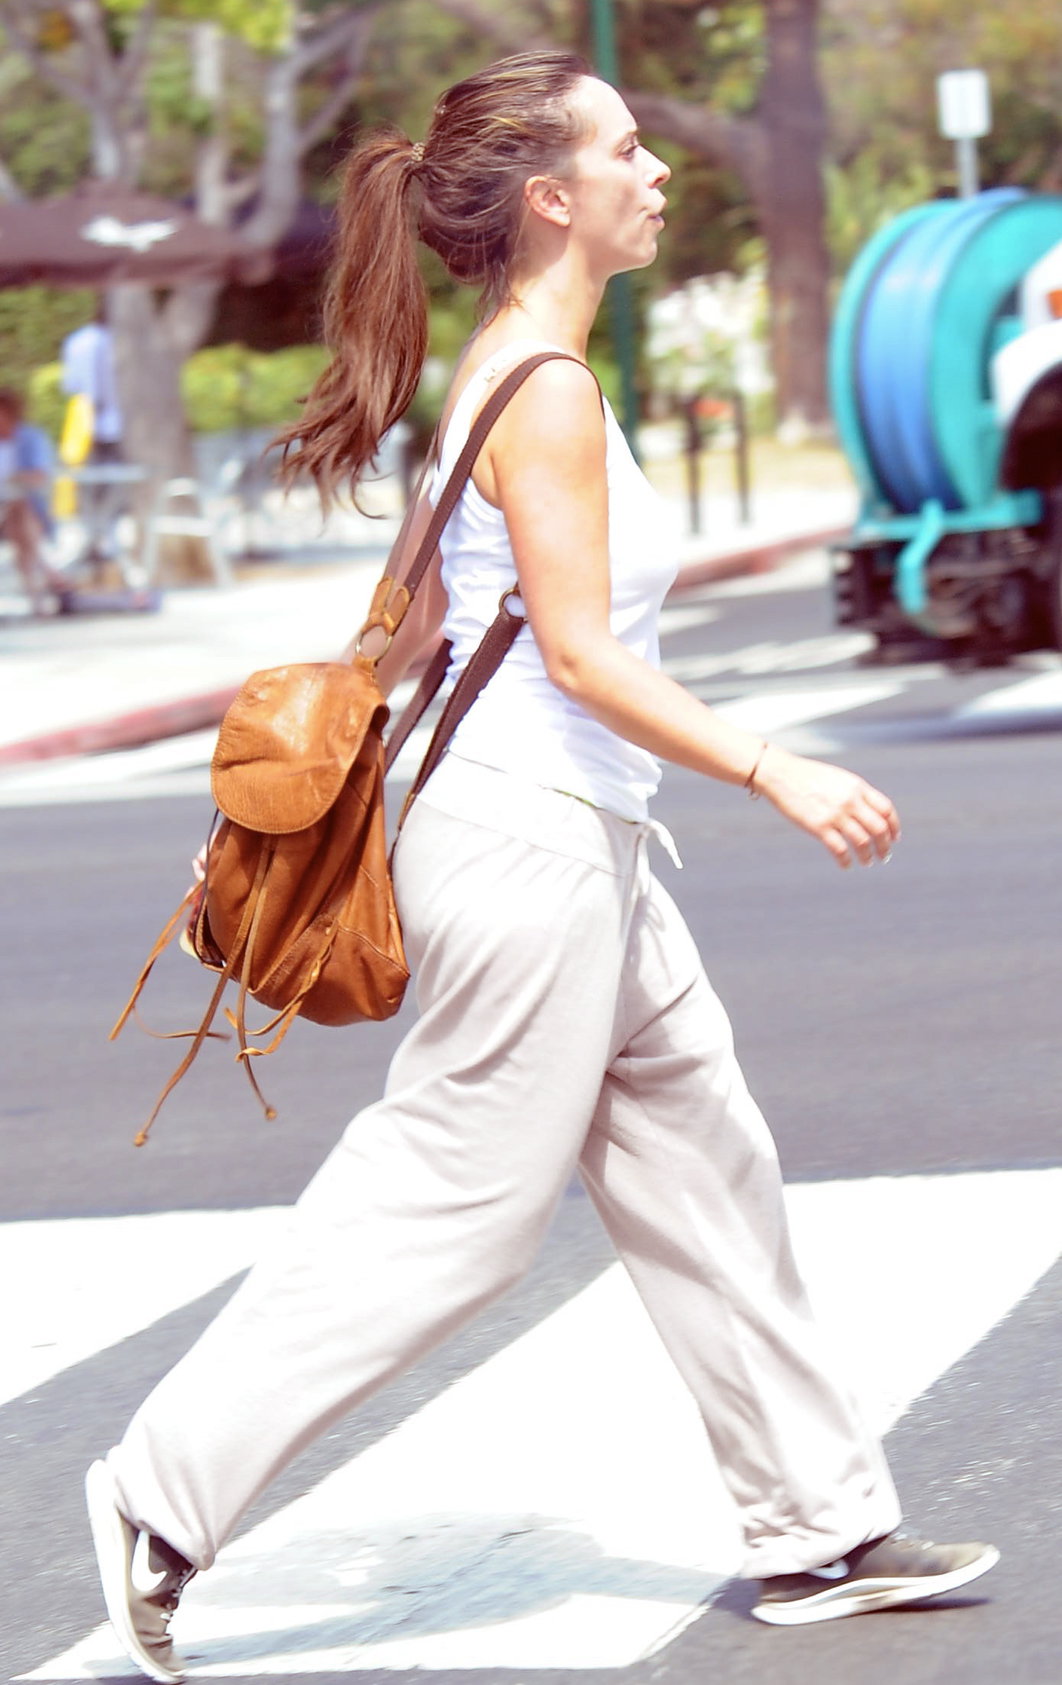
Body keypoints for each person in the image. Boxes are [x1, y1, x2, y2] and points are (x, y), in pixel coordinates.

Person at [84, 51, 998, 1684]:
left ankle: (819, 1532)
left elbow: (462, 629)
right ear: (550, 199)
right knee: (457, 1203)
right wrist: (777, 762)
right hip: (528, 840)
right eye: (627, 150)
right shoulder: (548, 388)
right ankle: (159, 1497)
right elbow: (578, 657)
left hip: (574, 836)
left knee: (702, 1166)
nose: (657, 172)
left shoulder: (515, 369)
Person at [60, 303, 125, 566]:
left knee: (90, 486)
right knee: (111, 485)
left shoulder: (76, 342)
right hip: (111, 425)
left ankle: (96, 536)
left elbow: (71, 385)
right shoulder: (116, 343)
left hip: (85, 426)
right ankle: (101, 536)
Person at [0, 387, 71, 614]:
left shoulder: (30, 438)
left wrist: (15, 478)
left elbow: (41, 476)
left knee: (19, 513)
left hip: (26, 508)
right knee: (18, 517)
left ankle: (38, 590)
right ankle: (50, 576)